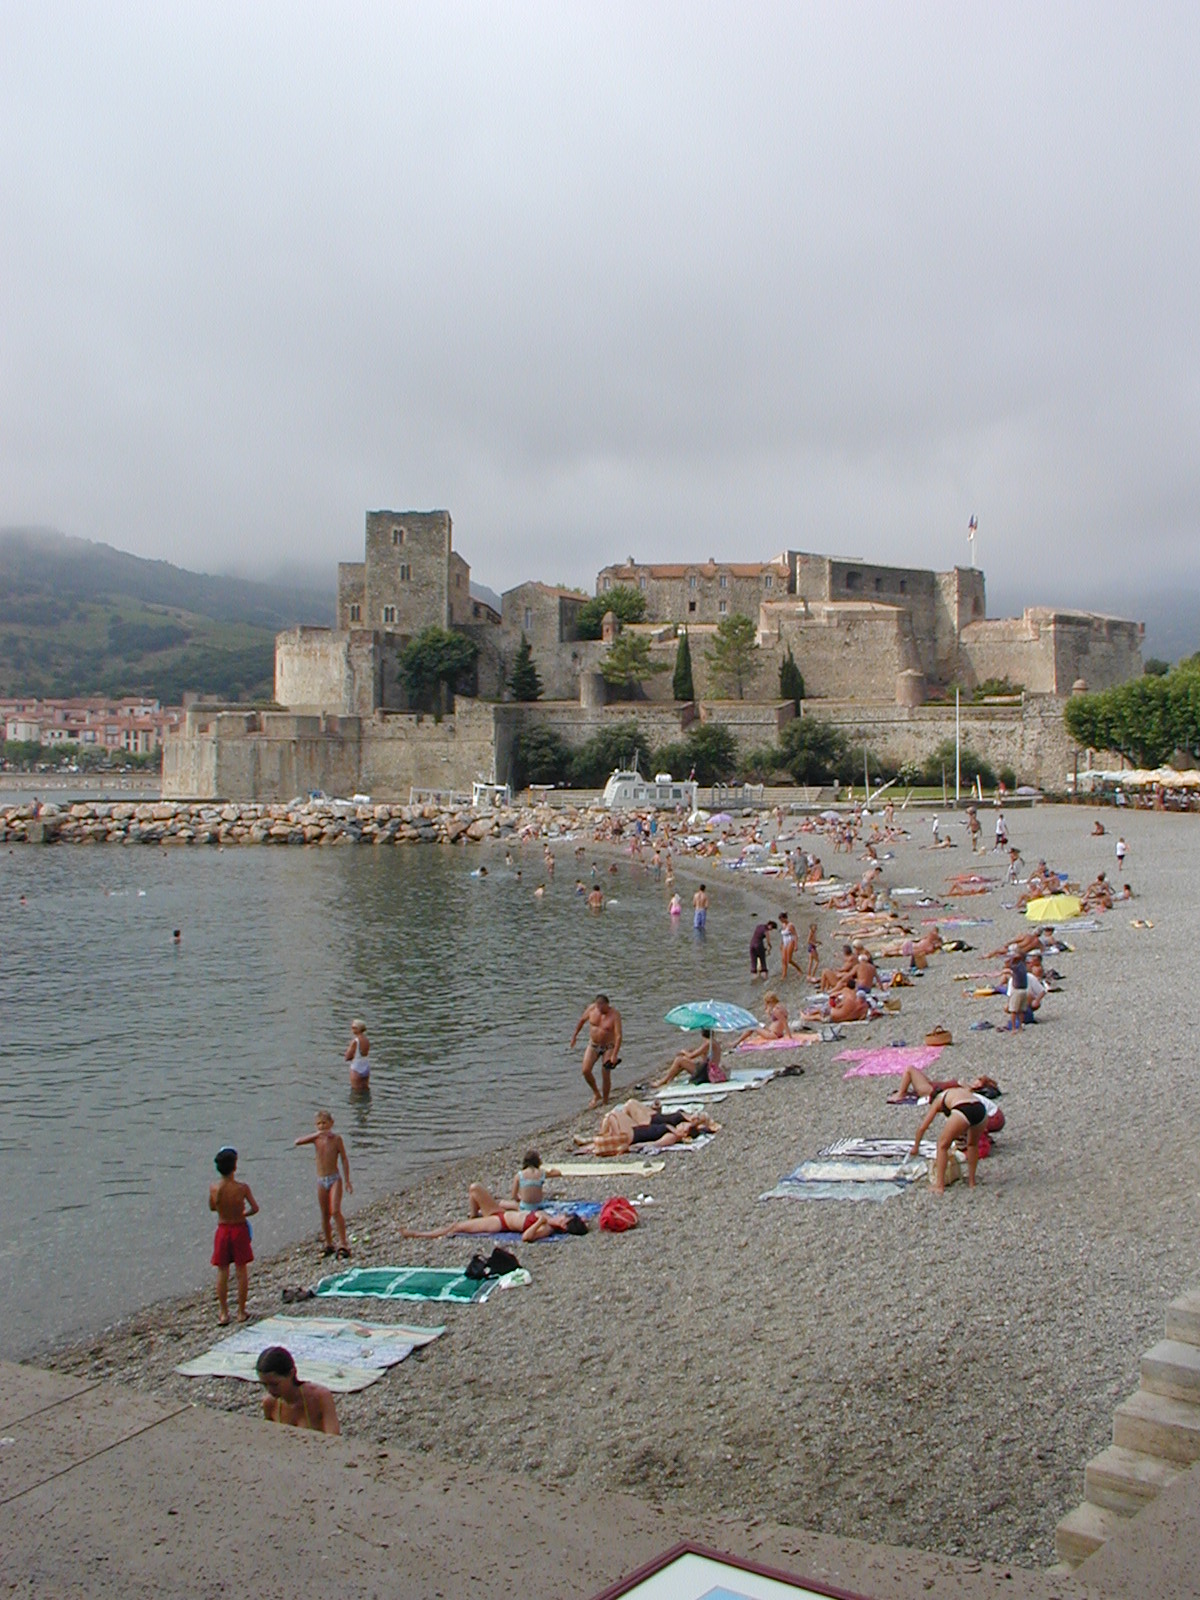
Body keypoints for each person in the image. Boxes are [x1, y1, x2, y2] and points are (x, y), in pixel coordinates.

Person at [400, 1183, 588, 1241]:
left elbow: (526, 1238)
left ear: (563, 1225)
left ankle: (418, 1234)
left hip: (499, 1223)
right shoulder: (549, 1217)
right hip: (499, 1212)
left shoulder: (546, 1228)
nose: (563, 1214)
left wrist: (539, 1223)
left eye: (565, 1217)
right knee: (474, 1189)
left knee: (456, 1227)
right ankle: (474, 1217)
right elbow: (523, 1210)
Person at [209, 1146, 258, 1325]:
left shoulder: (214, 1188)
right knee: (241, 1270)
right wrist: (243, 1213)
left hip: (223, 1229)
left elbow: (213, 1207)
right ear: (234, 1167)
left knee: (222, 1270)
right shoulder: (242, 1188)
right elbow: (255, 1208)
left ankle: (223, 1313)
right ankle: (241, 1311)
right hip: (238, 1228)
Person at [294, 1111, 353, 1259]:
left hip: (334, 1179)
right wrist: (316, 1135)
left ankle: (343, 1243)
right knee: (325, 1214)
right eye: (319, 1123)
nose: (322, 1126)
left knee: (335, 1211)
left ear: (331, 1123)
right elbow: (297, 1142)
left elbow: (344, 1159)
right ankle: (328, 1243)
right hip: (321, 1179)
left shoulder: (337, 1139)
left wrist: (347, 1180)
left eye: (324, 1123)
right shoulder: (316, 1139)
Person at [910, 1087, 989, 1192]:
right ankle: (972, 1181)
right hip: (980, 1108)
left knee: (942, 1145)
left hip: (963, 1109)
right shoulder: (955, 1091)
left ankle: (939, 1186)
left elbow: (923, 1127)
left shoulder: (938, 1099)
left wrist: (916, 1147)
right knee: (972, 1144)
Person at [256, 1346, 340, 1433]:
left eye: (275, 1384)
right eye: (265, 1385)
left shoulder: (320, 1397)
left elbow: (333, 1437)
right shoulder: (270, 1403)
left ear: (292, 1373)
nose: (270, 1390)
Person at [569, 994, 623, 1107]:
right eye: (598, 1008)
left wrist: (614, 1054)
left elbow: (618, 1036)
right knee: (585, 1070)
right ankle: (596, 1093)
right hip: (593, 1045)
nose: (600, 1010)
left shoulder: (614, 1015)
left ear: (607, 1005)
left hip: (609, 1046)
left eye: (602, 1008)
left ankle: (605, 1100)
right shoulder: (591, 1009)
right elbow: (582, 1021)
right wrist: (574, 1036)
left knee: (605, 1073)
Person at [655, 1028, 722, 1088]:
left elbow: (691, 1056)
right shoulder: (713, 1042)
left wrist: (683, 1051)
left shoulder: (708, 1043)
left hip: (707, 1073)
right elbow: (699, 1053)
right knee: (682, 1062)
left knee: (679, 1060)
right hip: (708, 1070)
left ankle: (663, 1081)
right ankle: (669, 1079)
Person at [1002, 944, 1027, 1031]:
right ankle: (1017, 1027)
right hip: (1022, 989)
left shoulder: (1018, 967)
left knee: (1015, 1010)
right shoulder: (1021, 966)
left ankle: (1016, 1028)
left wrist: (1014, 957)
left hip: (1018, 990)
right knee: (1019, 1010)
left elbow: (1010, 964)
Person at [345, 1018, 370, 1091]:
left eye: (353, 1028)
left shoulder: (355, 1041)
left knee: (356, 1091)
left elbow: (348, 1057)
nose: (352, 1029)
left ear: (358, 1029)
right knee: (365, 1089)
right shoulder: (366, 1040)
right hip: (366, 1066)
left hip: (356, 1067)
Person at [779, 912, 800, 980]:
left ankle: (799, 969)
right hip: (785, 942)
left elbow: (795, 935)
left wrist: (796, 945)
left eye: (782, 919)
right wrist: (781, 943)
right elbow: (782, 936)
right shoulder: (783, 925)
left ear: (785, 918)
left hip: (790, 941)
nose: (781, 921)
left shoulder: (790, 925)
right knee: (783, 959)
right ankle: (784, 974)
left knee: (789, 959)